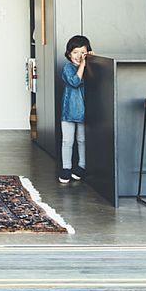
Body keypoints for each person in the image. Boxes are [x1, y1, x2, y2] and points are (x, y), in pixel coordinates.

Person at [58, 34, 93, 184]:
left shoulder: (90, 66)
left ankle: (82, 166)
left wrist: (92, 60)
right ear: (69, 54)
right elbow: (74, 81)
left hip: (85, 111)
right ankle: (66, 168)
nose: (79, 56)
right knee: (67, 141)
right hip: (69, 111)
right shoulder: (68, 68)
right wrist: (83, 65)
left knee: (82, 140)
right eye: (75, 52)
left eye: (83, 52)